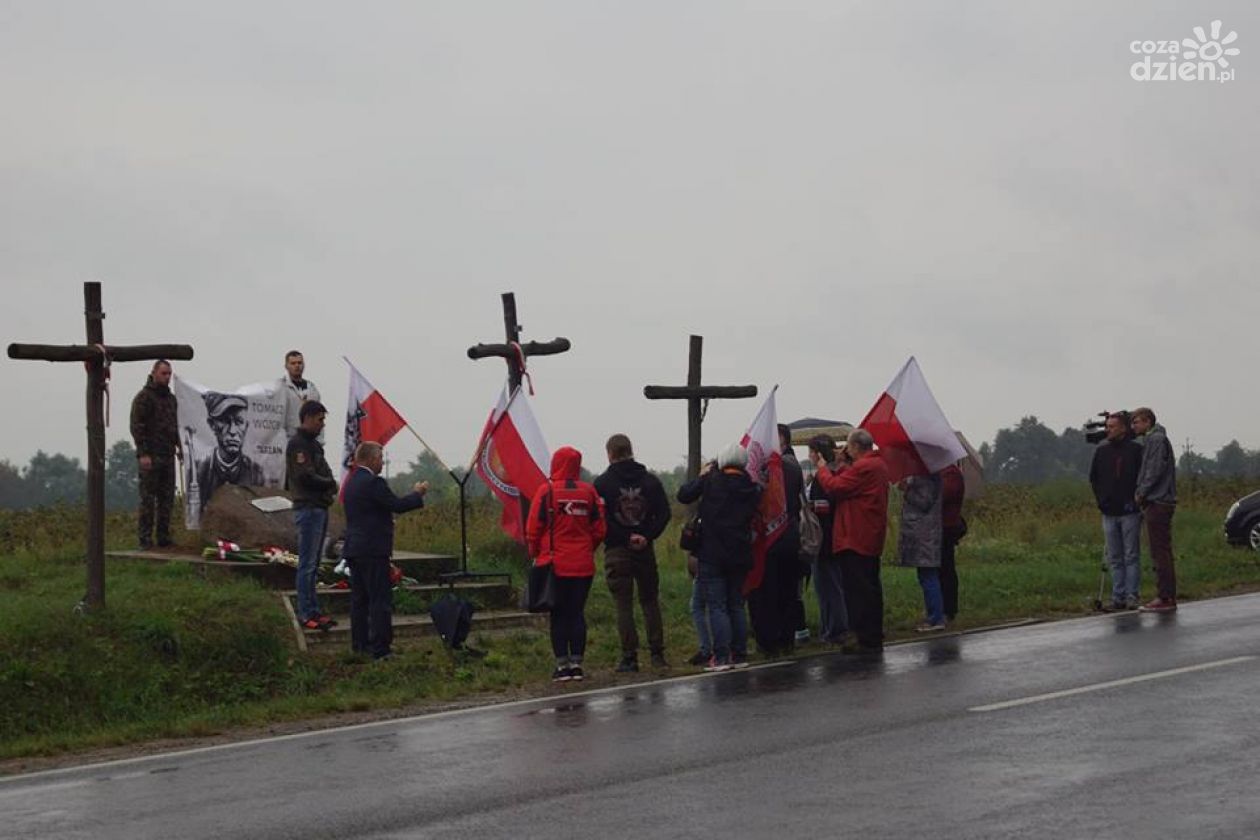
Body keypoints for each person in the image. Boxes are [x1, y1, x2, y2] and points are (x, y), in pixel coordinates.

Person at [677, 443, 762, 671]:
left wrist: (703, 475)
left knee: (717, 606)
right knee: (736, 604)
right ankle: (739, 653)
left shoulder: (711, 481)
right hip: (740, 552)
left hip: (712, 552)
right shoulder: (752, 488)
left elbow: (683, 495)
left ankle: (722, 657)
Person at [526, 446, 607, 682]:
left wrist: (535, 553)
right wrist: (587, 548)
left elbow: (533, 528)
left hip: (555, 564)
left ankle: (562, 666)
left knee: (558, 615)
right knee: (576, 613)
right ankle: (577, 664)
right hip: (583, 565)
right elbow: (600, 529)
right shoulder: (589, 492)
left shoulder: (547, 491)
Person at [342, 441, 428, 660]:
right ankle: (381, 649)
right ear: (371, 459)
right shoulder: (374, 482)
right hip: (373, 549)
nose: (382, 462)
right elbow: (396, 505)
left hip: (354, 548)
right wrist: (417, 494)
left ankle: (360, 646)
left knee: (359, 600)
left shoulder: (351, 482)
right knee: (379, 599)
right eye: (380, 458)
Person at [594, 433, 672, 672]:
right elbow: (664, 513)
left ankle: (629, 657)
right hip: (645, 549)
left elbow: (602, 519)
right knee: (650, 601)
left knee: (623, 604)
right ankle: (657, 654)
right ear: (630, 451)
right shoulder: (650, 481)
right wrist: (646, 536)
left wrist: (624, 537)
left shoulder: (603, 484)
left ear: (610, 454)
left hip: (617, 550)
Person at [810, 428, 890, 653]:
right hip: (869, 534)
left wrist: (822, 469)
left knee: (857, 590)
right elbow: (851, 482)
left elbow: (836, 486)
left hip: (856, 535)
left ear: (855, 446)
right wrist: (844, 463)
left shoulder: (865, 467)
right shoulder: (877, 465)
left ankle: (864, 636)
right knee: (870, 586)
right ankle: (872, 633)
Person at [747, 425, 804, 656]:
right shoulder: (794, 468)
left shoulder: (759, 470)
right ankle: (786, 640)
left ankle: (768, 642)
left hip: (767, 539)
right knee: (788, 591)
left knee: (765, 593)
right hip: (790, 536)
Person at [286, 401, 339, 631]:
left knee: (315, 564)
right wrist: (328, 483)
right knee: (306, 564)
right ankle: (305, 612)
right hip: (307, 508)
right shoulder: (298, 444)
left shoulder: (315, 446)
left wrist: (330, 483)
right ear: (307, 417)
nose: (322, 424)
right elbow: (305, 476)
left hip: (320, 507)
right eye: (320, 419)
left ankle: (315, 610)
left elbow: (325, 471)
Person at [1088, 412, 1144, 611]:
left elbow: (1142, 476)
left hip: (1130, 510)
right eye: (1107, 427)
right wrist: (1101, 501)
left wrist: (1138, 499)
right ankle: (1118, 596)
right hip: (1109, 511)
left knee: (1131, 555)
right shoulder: (1102, 451)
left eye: (1112, 427)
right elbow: (1094, 478)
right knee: (1115, 557)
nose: (1108, 430)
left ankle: (1132, 595)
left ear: (1123, 428)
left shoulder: (1136, 450)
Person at [130, 360, 182, 549]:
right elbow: (137, 426)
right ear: (154, 373)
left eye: (169, 374)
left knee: (166, 499)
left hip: (167, 455)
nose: (167, 377)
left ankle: (163, 536)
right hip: (150, 456)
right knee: (148, 499)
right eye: (163, 373)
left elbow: (176, 426)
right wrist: (143, 453)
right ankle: (145, 539)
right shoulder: (143, 398)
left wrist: (180, 446)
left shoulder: (171, 400)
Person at [1132, 407, 1178, 612]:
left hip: (1159, 500)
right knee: (1161, 550)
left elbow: (1154, 470)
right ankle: (1166, 595)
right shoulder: (1151, 439)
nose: (1134, 426)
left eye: (1137, 422)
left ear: (1147, 422)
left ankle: (1165, 596)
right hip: (1158, 499)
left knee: (1159, 551)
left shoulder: (1156, 440)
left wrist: (1141, 492)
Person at [807, 435, 849, 644]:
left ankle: (835, 629)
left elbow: (828, 503)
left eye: (811, 452)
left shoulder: (827, 475)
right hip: (831, 535)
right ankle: (828, 628)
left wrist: (810, 506)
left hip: (825, 536)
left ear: (818, 454)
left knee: (829, 586)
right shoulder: (833, 472)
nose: (809, 456)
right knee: (827, 585)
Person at [196, 391, 267, 510]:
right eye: (225, 421)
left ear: (246, 426)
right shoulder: (199, 472)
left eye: (239, 422)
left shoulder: (256, 474)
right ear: (212, 425)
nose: (233, 431)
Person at [897, 473, 945, 632]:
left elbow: (924, 502)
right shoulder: (927, 476)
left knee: (928, 576)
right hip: (925, 533)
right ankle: (933, 614)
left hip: (925, 534)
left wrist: (907, 490)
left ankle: (935, 618)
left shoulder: (928, 477)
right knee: (926, 576)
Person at [939, 461, 966, 621]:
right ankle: (945, 606)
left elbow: (943, 495)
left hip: (947, 526)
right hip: (942, 526)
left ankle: (949, 608)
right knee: (942, 569)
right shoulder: (945, 472)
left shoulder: (951, 474)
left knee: (946, 568)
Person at [279, 350, 322, 442]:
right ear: (286, 366)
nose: (297, 366)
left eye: (299, 363)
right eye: (293, 363)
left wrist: (320, 441)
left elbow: (319, 416)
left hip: (310, 440)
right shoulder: (281, 388)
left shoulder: (312, 389)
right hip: (289, 439)